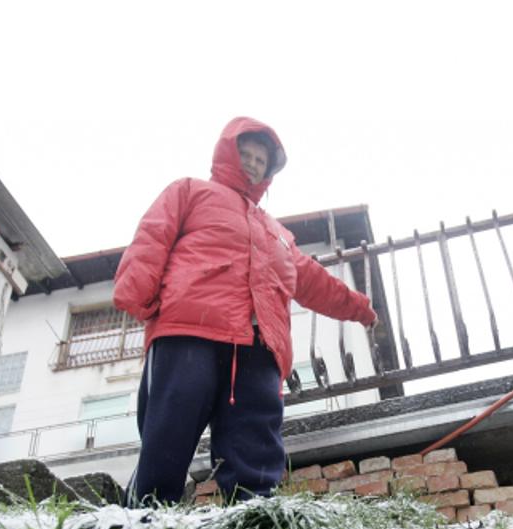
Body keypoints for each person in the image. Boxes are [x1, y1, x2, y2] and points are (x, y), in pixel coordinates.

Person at [113, 117, 378, 504]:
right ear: (226, 154)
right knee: (171, 423)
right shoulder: (189, 191)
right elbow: (152, 238)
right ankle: (146, 511)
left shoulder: (278, 234)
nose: (253, 163)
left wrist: (360, 309)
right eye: (246, 154)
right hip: (189, 328)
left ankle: (255, 513)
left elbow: (313, 281)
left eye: (261, 159)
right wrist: (139, 298)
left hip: (258, 344)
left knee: (254, 430)